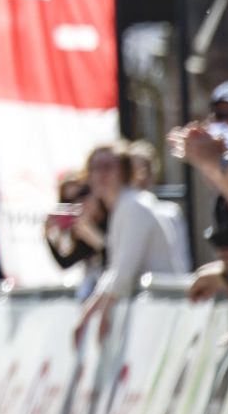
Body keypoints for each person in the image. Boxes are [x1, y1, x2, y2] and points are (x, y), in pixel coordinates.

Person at [73, 142, 188, 346]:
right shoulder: (123, 206)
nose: (101, 174)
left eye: (108, 167)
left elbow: (124, 271)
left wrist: (101, 314)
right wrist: (88, 314)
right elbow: (115, 270)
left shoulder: (135, 205)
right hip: (149, 310)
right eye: (95, 168)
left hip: (161, 311)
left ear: (124, 172)